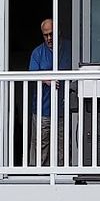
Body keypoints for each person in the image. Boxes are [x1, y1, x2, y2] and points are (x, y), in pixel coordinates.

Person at [28, 17, 68, 167]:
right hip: (42, 110)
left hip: (63, 110)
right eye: (46, 35)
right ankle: (37, 181)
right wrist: (47, 80)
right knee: (40, 150)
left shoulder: (70, 48)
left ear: (59, 32)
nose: (49, 38)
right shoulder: (37, 53)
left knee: (62, 149)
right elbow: (31, 75)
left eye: (52, 34)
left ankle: (62, 182)